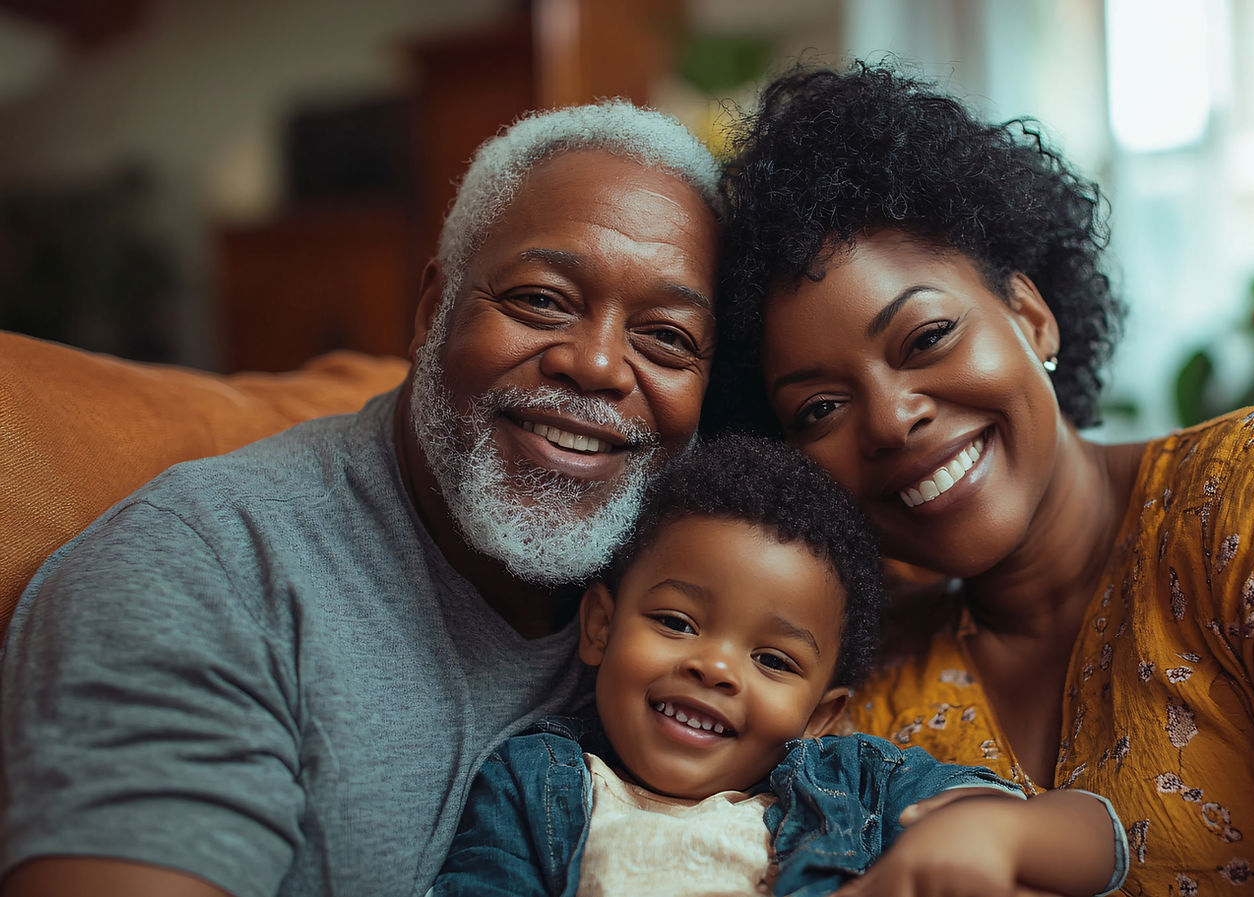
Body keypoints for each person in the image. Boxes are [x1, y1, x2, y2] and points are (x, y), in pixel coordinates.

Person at [710, 63, 1254, 896]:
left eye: (927, 337)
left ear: (1032, 316)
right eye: (820, 407)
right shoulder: (856, 681)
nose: (890, 418)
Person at [1, 102, 722, 897]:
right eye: (542, 299)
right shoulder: (197, 577)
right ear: (431, 313)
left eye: (667, 337)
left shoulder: (706, 591)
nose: (597, 365)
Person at [432, 433, 1129, 897]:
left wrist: (997, 829)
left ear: (821, 713)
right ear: (601, 626)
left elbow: (1098, 839)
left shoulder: (860, 788)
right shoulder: (533, 788)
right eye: (677, 622)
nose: (716, 667)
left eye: (772, 659)